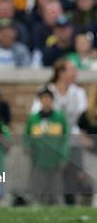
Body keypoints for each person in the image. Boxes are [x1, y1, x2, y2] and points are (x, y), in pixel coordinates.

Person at [30, 58, 87, 205]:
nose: (74, 73)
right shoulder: (47, 90)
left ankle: (70, 200)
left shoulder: (78, 92)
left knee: (72, 173)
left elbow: (82, 117)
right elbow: (36, 114)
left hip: (71, 136)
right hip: (49, 136)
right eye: (71, 69)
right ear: (61, 73)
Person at [25, 87, 68, 205]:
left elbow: (65, 138)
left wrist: (63, 156)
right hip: (38, 159)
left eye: (48, 98)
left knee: (56, 189)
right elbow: (27, 137)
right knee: (38, 188)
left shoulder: (60, 118)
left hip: (55, 159)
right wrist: (29, 149)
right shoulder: (33, 119)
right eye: (43, 98)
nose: (46, 101)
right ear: (40, 100)